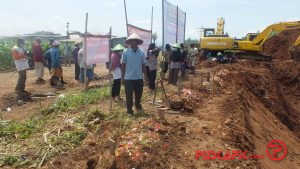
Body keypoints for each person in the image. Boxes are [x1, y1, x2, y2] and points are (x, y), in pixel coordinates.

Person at [121, 33, 148, 115]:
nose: (134, 42)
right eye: (132, 40)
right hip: (128, 78)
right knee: (129, 95)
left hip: (139, 77)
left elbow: (143, 65)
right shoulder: (126, 52)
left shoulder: (141, 52)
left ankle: (137, 104)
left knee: (139, 93)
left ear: (137, 42)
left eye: (135, 41)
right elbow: (123, 65)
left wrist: (146, 76)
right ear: (130, 42)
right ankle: (129, 110)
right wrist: (122, 77)